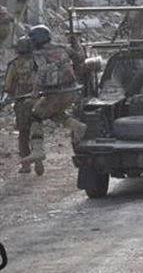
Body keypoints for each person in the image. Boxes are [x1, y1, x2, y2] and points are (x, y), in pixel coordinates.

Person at [18, 25, 87, 176]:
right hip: (71, 91)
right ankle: (77, 126)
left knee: (35, 115)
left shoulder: (39, 54)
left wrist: (35, 92)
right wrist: (76, 43)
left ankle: (38, 150)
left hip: (55, 93)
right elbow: (80, 59)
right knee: (54, 113)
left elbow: (42, 72)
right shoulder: (63, 48)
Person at [4, 36, 34, 173]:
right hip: (38, 100)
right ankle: (38, 156)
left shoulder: (14, 64)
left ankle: (26, 164)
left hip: (21, 102)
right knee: (36, 130)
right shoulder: (37, 62)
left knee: (23, 133)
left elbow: (8, 86)